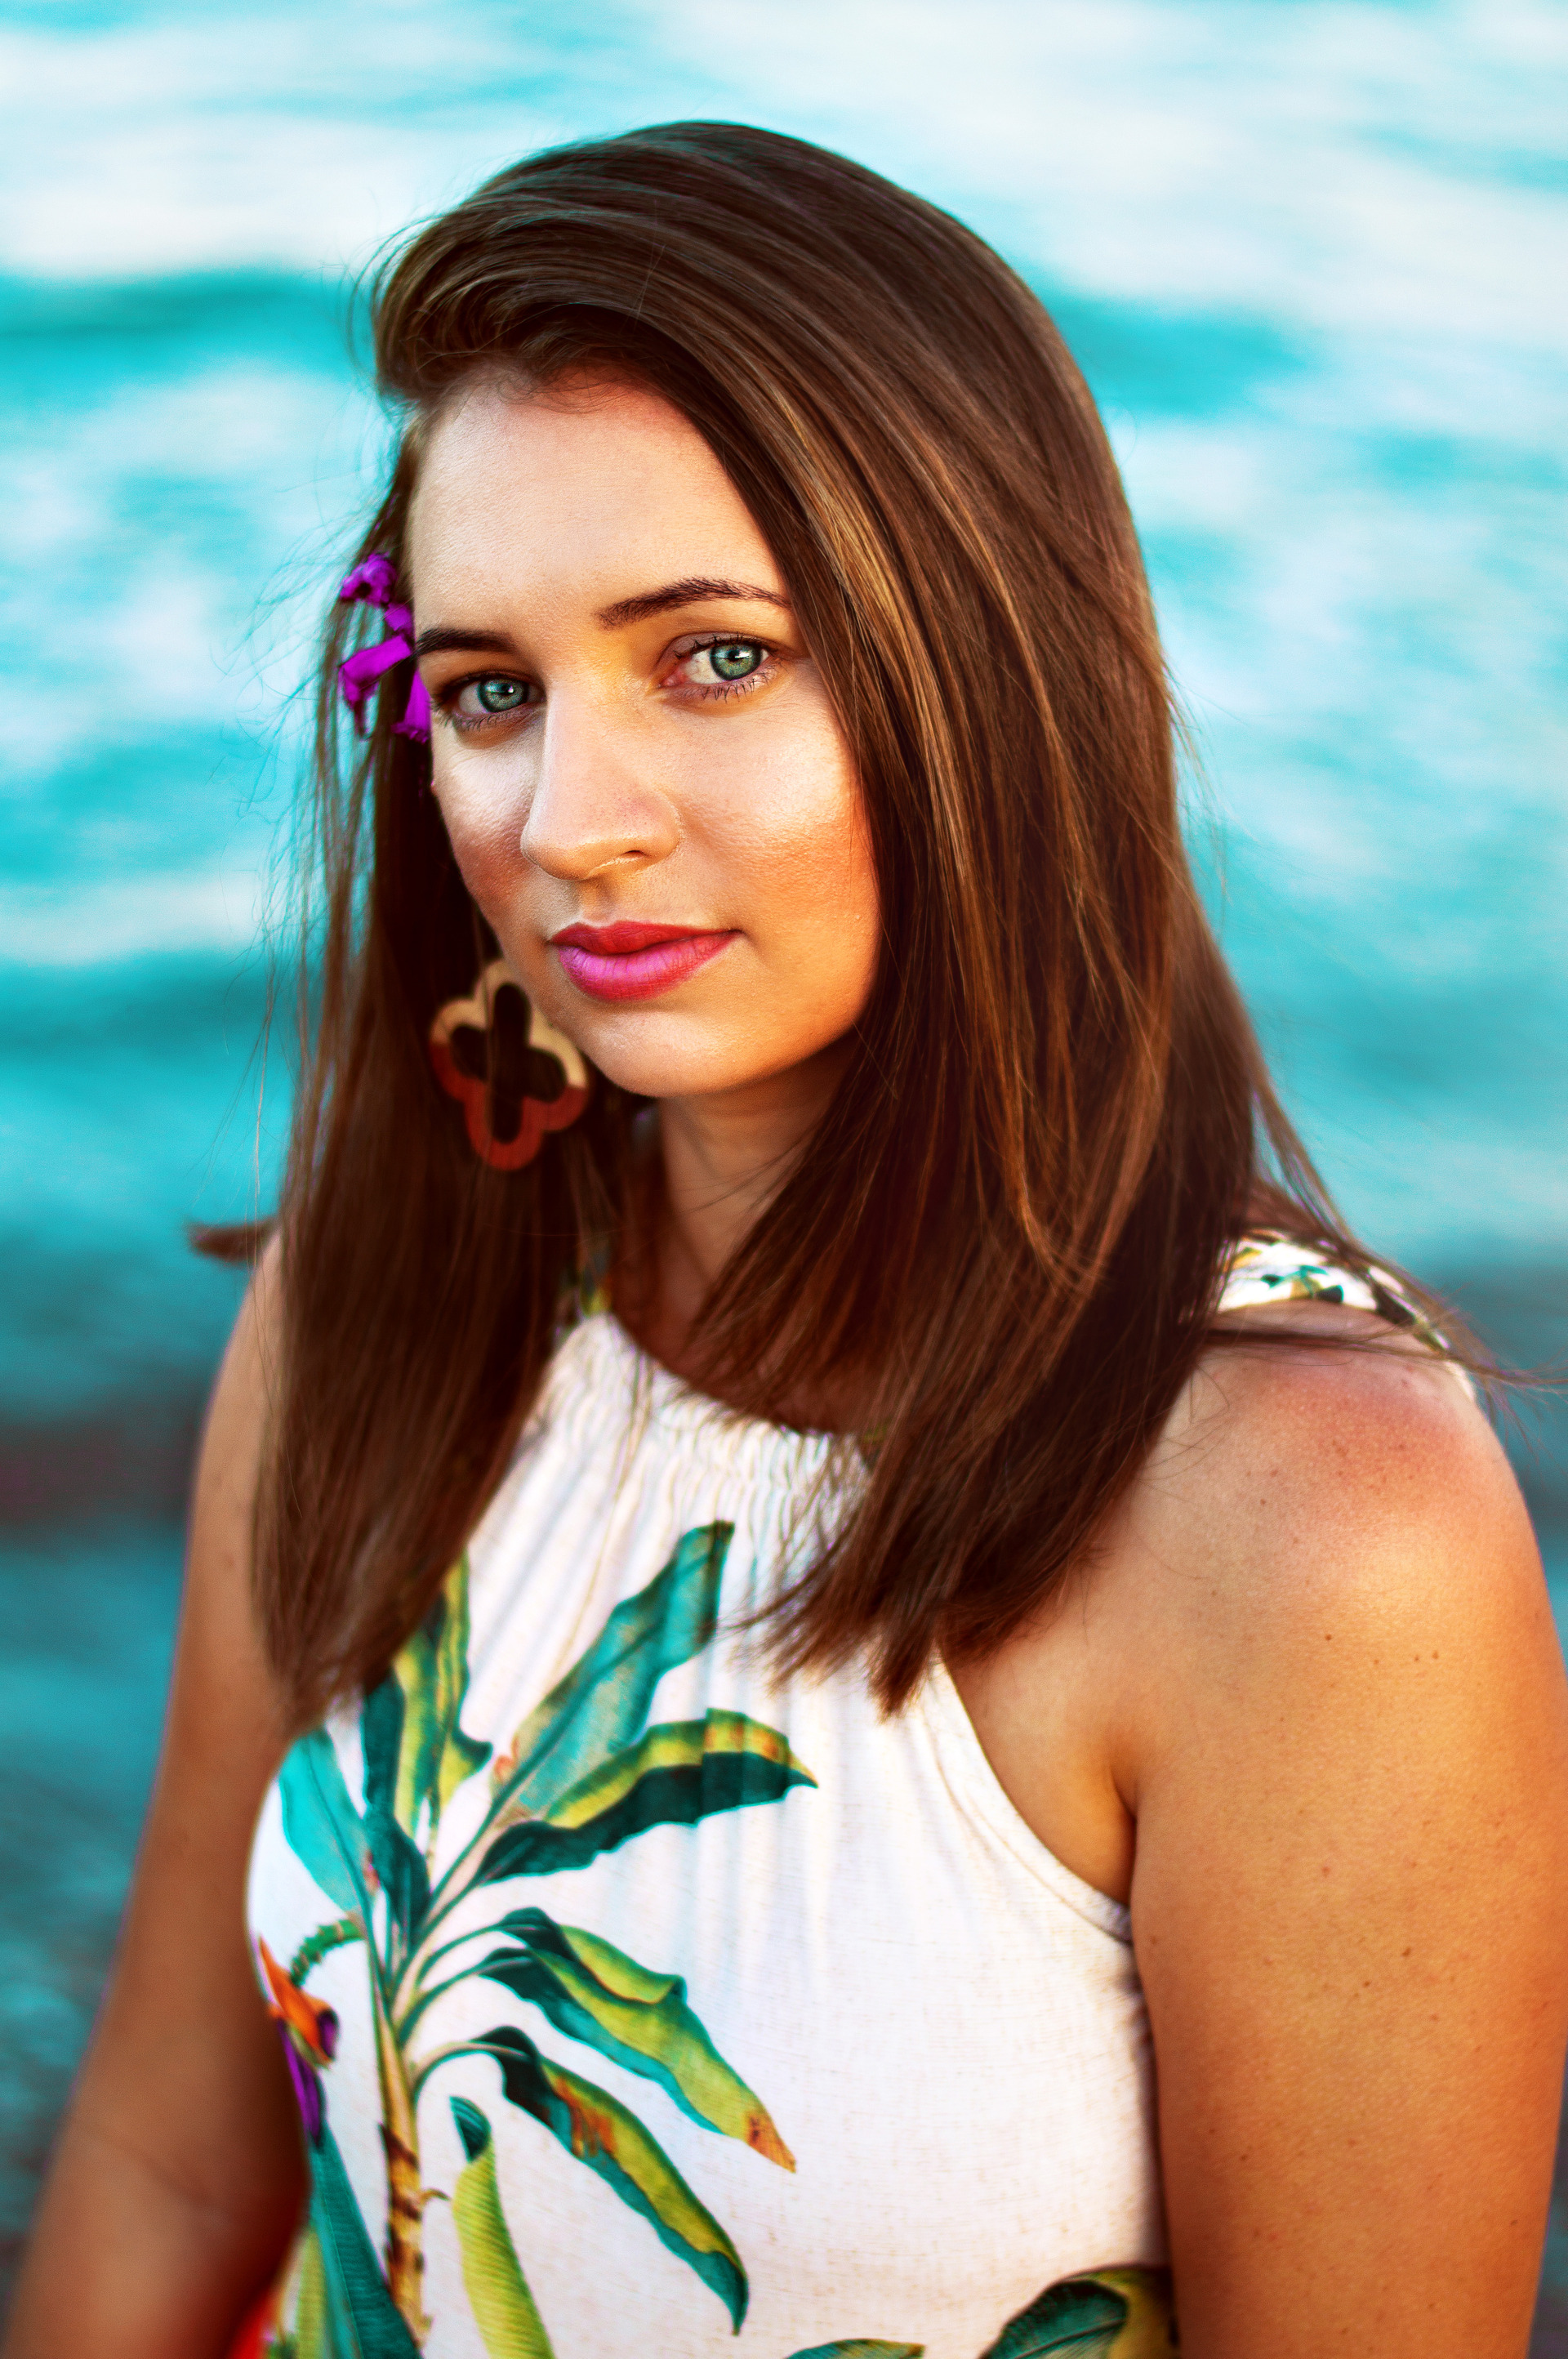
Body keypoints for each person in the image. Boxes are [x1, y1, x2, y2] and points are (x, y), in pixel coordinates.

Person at [7, 122, 1566, 2359]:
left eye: (715, 658)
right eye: (494, 691)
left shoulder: (1312, 1527)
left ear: (988, 678)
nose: (571, 824)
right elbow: (173, 2157)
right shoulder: (378, 1301)